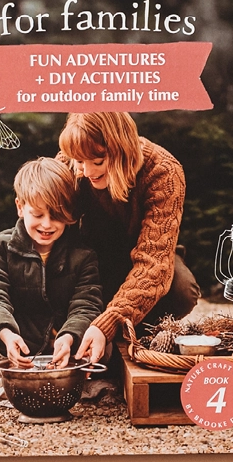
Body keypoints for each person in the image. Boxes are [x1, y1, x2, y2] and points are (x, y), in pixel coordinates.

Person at [0, 157, 102, 391]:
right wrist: (6, 334)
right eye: (38, 214)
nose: (47, 224)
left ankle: (7, 381)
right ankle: (33, 382)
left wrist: (69, 337)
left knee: (105, 345)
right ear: (20, 207)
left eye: (57, 215)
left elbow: (86, 306)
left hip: (63, 351)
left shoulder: (83, 255)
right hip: (13, 348)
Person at [58, 112, 201, 365]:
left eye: (98, 161)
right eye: (79, 161)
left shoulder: (163, 170)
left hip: (148, 252)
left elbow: (154, 263)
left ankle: (129, 335)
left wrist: (109, 323)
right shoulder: (70, 161)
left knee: (182, 291)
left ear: (121, 150)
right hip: (93, 255)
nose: (87, 171)